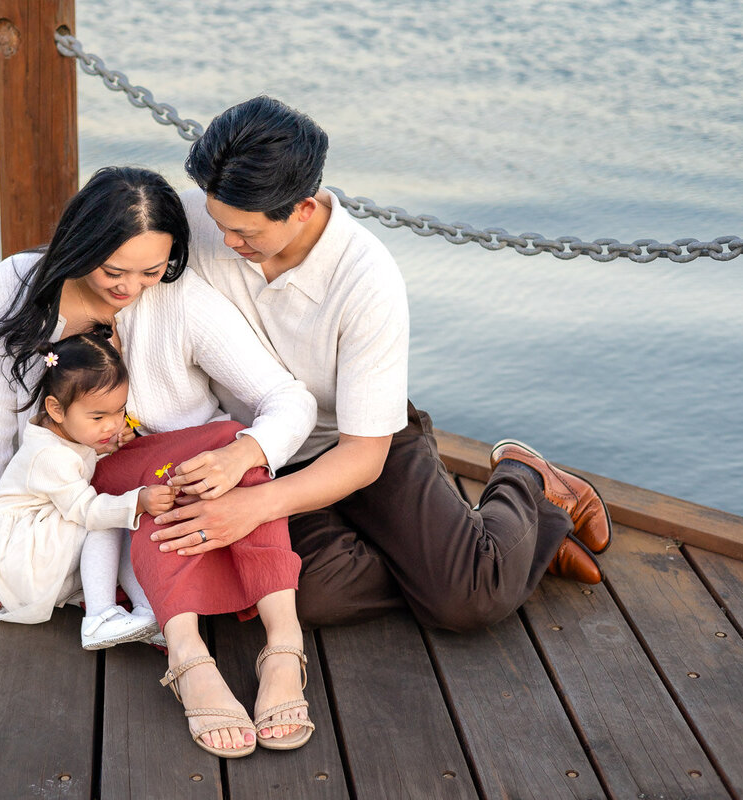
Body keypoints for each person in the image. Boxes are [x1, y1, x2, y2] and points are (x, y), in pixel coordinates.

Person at [147, 95, 612, 633]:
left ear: (304, 207)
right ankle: (499, 556)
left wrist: (255, 510)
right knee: (308, 597)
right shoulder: (194, 222)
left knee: (468, 603)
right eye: (217, 222)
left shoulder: (367, 278)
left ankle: (527, 485)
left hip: (365, 440)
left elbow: (363, 458)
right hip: (267, 452)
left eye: (246, 234)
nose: (225, 242)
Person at [0, 166, 319, 756]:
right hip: (80, 489)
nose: (132, 288)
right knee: (192, 461)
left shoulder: (180, 298)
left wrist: (242, 451)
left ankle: (282, 645)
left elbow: (289, 399)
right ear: (79, 244)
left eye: (152, 270)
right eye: (115, 270)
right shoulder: (16, 281)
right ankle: (193, 659)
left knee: (231, 449)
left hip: (187, 481)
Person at [0, 328, 175, 648]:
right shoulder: (50, 456)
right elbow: (87, 510)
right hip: (15, 557)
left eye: (119, 411)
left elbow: (76, 467)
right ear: (56, 409)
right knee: (107, 519)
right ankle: (100, 616)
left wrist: (102, 449)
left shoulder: (61, 433)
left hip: (27, 539)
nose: (113, 425)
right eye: (99, 416)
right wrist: (137, 501)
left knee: (118, 518)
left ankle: (147, 613)